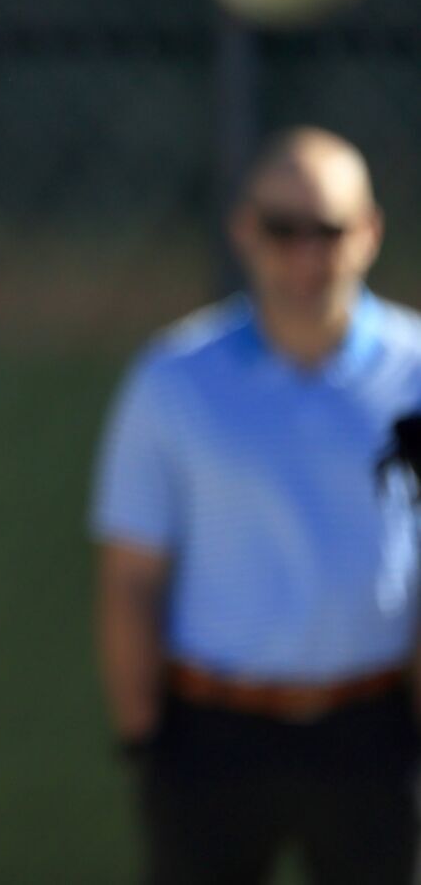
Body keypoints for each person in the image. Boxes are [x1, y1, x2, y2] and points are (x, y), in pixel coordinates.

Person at [92, 126, 421, 885]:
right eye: (283, 229)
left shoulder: (412, 373)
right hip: (213, 738)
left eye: (329, 231)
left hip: (373, 733)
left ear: (369, 233)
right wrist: (147, 740)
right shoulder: (175, 377)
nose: (307, 254)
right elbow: (132, 573)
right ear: (244, 230)